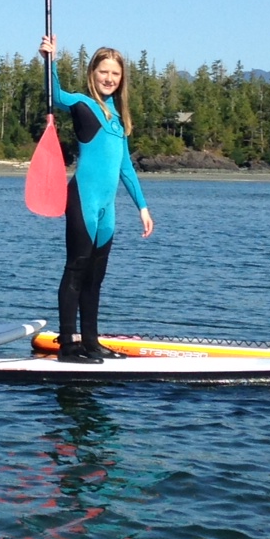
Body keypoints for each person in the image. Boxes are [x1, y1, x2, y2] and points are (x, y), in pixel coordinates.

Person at [37, 37, 154, 362]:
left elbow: (126, 168)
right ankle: (68, 346)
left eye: (115, 74)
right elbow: (56, 96)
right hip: (83, 201)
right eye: (104, 72)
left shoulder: (119, 120)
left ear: (121, 79)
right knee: (76, 270)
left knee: (95, 278)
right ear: (93, 73)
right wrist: (50, 60)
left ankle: (91, 342)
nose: (109, 78)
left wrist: (142, 207)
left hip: (107, 210)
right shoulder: (84, 105)